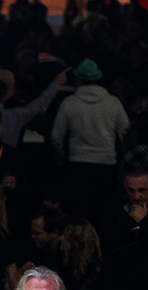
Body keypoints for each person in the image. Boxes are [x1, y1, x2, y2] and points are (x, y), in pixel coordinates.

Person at [51, 60, 129, 214]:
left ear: (78, 79)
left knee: (80, 213)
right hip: (107, 165)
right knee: (104, 213)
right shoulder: (113, 103)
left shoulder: (69, 103)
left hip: (77, 164)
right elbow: (126, 133)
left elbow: (56, 137)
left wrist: (61, 157)